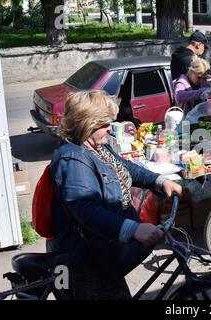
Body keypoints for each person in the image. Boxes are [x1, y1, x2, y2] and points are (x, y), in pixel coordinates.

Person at [47, 90, 182, 299]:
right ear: (88, 123)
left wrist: (159, 181)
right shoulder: (73, 159)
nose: (110, 128)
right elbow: (86, 211)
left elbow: (125, 167)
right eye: (105, 123)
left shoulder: (96, 147)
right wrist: (134, 229)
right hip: (87, 265)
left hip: (104, 255)